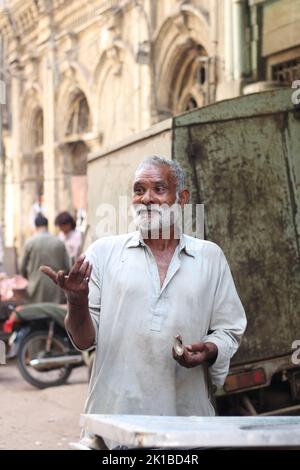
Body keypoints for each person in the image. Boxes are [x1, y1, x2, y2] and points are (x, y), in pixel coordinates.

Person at [41, 156, 247, 449]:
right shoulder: (104, 253)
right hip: (115, 427)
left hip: (186, 426)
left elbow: (229, 330)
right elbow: (85, 340)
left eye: (159, 189)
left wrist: (210, 350)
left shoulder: (209, 257)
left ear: (182, 198)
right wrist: (76, 302)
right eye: (139, 190)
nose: (147, 198)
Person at [20, 214, 71, 303]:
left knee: (37, 314)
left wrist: (31, 277)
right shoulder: (59, 242)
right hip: (56, 289)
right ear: (47, 226)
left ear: (35, 226)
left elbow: (22, 267)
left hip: (35, 287)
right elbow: (67, 266)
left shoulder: (30, 242)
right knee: (55, 315)